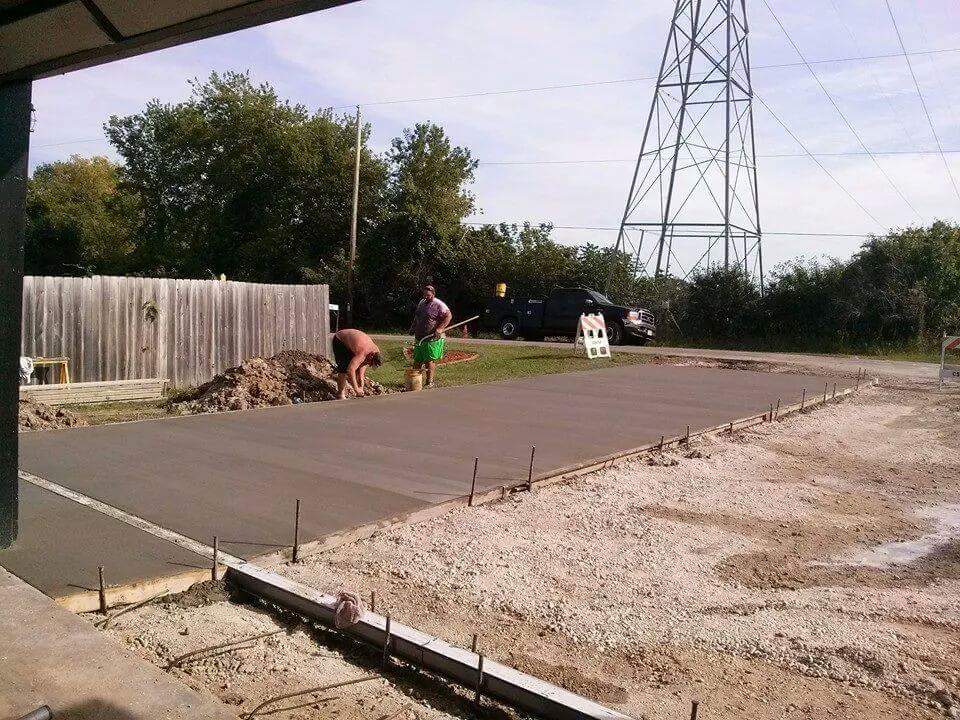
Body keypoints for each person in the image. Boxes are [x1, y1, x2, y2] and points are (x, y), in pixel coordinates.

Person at [410, 284, 452, 388]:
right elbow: (417, 316)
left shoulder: (439, 304)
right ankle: (416, 382)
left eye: (428, 295)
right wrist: (413, 327)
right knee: (417, 360)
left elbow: (448, 316)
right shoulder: (422, 302)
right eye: (424, 295)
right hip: (419, 337)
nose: (426, 297)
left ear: (433, 294)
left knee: (429, 360)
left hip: (432, 338)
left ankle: (429, 382)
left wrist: (440, 328)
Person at [331, 328, 383, 399]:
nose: (370, 365)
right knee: (344, 367)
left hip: (353, 343)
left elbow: (364, 363)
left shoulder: (376, 351)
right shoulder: (362, 352)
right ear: (371, 356)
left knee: (358, 370)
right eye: (371, 363)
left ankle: (353, 385)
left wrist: (361, 380)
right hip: (340, 340)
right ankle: (340, 394)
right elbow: (350, 370)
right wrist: (356, 389)